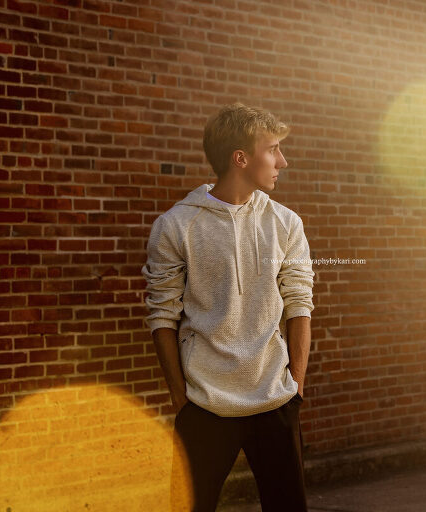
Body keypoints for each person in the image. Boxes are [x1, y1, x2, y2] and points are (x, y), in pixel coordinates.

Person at [142, 103, 314, 512]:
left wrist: (296, 389)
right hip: (204, 405)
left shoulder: (285, 223)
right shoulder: (176, 226)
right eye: (272, 149)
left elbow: (299, 304)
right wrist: (180, 400)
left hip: (274, 400)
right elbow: (162, 316)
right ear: (241, 158)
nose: (282, 161)